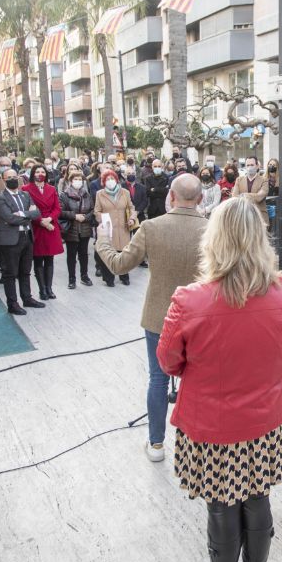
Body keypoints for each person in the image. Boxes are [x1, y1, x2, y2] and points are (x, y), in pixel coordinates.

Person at [157, 196, 282, 562]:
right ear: (260, 239)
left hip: (213, 426)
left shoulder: (189, 299)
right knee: (257, 496)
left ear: (214, 240)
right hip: (266, 419)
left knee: (222, 502)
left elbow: (168, 361)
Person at [95, 174, 208, 462]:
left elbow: (120, 266)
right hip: (201, 318)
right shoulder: (212, 229)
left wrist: (103, 242)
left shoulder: (151, 227)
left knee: (158, 380)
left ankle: (156, 445)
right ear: (201, 199)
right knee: (195, 381)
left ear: (170, 196)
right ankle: (195, 444)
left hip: (160, 317)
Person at [0, 168, 44, 315]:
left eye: (15, 176)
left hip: (27, 237)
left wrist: (22, 214)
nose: (13, 179)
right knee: (10, 273)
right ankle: (12, 303)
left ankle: (27, 298)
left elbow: (36, 213)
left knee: (25, 271)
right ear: (3, 180)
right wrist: (28, 215)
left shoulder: (25, 195)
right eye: (9, 177)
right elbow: (9, 218)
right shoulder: (0, 197)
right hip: (10, 240)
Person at [22, 163, 63, 301]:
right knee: (38, 259)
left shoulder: (51, 189)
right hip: (37, 227)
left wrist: (50, 219)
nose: (41, 174)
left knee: (50, 259)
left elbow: (57, 208)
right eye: (38, 171)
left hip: (51, 226)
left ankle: (49, 288)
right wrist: (41, 221)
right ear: (33, 174)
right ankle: (42, 289)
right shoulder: (26, 189)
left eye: (43, 172)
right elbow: (27, 209)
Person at [92, 169, 135, 286]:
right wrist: (102, 219)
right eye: (107, 179)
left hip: (123, 228)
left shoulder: (124, 192)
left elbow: (131, 207)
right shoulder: (99, 194)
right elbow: (97, 211)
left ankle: (124, 276)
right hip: (108, 229)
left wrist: (132, 218)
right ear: (103, 181)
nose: (110, 181)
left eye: (112, 179)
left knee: (124, 253)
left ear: (116, 180)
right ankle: (108, 278)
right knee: (109, 253)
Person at [58, 169, 95, 289]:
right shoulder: (64, 195)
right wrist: (74, 216)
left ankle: (84, 276)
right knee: (71, 255)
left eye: (80, 179)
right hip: (71, 229)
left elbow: (92, 210)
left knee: (84, 254)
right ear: (70, 181)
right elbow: (60, 211)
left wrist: (85, 217)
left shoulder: (86, 194)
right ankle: (72, 279)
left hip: (84, 228)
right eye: (76, 179)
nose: (78, 181)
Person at [234, 155, 268, 221]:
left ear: (257, 166)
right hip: (242, 217)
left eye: (252, 165)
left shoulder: (264, 180)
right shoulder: (239, 180)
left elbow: (259, 197)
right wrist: (252, 195)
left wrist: (242, 195)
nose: (250, 167)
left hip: (259, 217)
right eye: (248, 165)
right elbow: (235, 197)